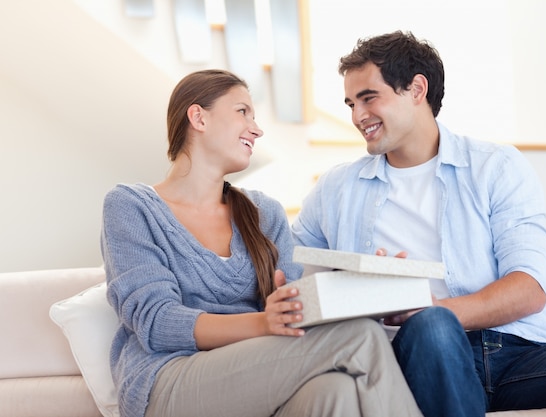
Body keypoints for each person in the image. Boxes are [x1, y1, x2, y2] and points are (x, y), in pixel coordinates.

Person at [291, 31, 546, 417]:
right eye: (350, 104)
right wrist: (362, 292)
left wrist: (436, 306)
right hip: (419, 355)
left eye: (368, 98)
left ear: (417, 89)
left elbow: (529, 288)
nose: (357, 116)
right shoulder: (336, 189)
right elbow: (294, 271)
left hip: (518, 352)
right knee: (434, 326)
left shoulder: (494, 167)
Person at [100, 69, 422, 417]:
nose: (257, 129)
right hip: (168, 381)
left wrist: (370, 295)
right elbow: (157, 322)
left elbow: (300, 313)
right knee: (359, 337)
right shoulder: (131, 206)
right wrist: (262, 323)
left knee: (337, 390)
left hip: (261, 376)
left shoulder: (263, 213)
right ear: (198, 117)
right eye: (242, 112)